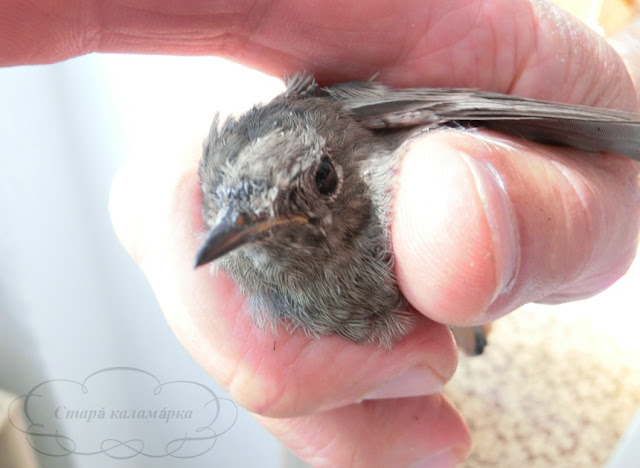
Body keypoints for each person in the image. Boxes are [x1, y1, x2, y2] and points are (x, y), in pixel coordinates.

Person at [4, 1, 639, 466]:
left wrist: (616, 115)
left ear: (337, 159)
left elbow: (473, 107)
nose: (278, 220)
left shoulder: (355, 135)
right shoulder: (248, 260)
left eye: (323, 183)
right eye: (234, 223)